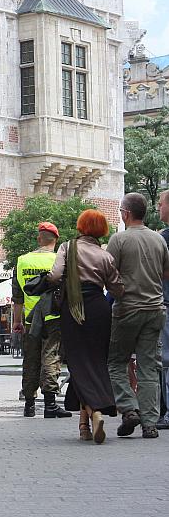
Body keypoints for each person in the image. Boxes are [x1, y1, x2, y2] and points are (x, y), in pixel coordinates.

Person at [47, 209, 124, 443]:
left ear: (80, 226)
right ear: (102, 230)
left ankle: (94, 412)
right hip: (99, 309)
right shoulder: (104, 255)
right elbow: (117, 289)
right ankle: (84, 426)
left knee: (78, 363)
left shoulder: (67, 247)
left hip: (73, 308)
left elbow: (54, 276)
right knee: (95, 362)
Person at [107, 192, 169, 439]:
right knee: (149, 367)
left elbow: (109, 274)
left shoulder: (119, 239)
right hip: (155, 310)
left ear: (126, 213)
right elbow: (166, 273)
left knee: (116, 362)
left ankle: (129, 408)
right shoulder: (158, 239)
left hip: (127, 309)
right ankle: (150, 424)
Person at [12, 222, 71, 419]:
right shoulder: (59, 261)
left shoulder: (22, 261)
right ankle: (50, 405)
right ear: (56, 240)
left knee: (30, 360)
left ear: (39, 239)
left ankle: (29, 404)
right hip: (54, 317)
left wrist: (17, 321)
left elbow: (17, 297)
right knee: (51, 357)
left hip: (30, 319)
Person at [156, 190, 169, 430]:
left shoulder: (163, 239)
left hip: (166, 302)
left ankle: (166, 412)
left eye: (160, 204)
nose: (158, 207)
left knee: (165, 359)